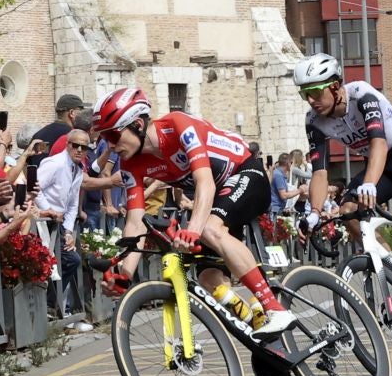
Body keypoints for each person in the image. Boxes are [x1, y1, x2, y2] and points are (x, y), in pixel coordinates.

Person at [92, 86, 297, 338]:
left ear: (136, 124)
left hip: (244, 174)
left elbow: (205, 183)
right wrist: (125, 273)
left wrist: (193, 230)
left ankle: (274, 308)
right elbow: (135, 221)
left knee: (210, 229)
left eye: (112, 136)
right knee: (209, 279)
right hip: (217, 199)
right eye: (104, 139)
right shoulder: (130, 162)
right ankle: (259, 327)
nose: (110, 146)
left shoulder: (178, 126)